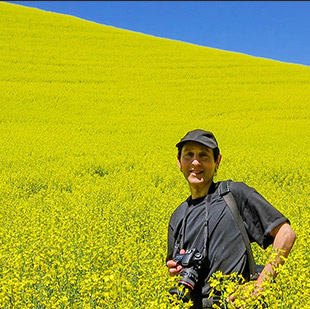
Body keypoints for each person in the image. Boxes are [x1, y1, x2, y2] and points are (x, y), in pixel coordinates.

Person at [166, 129, 296, 308]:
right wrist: (176, 270)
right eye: (189, 155)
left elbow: (286, 234)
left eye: (204, 155)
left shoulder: (233, 195)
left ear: (217, 161)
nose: (195, 162)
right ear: (179, 162)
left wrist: (261, 286)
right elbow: (176, 270)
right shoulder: (178, 216)